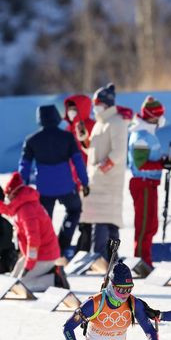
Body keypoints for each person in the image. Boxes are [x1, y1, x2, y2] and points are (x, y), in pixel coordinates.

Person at [20, 105, 89, 260]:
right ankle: (63, 245)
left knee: (44, 220)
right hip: (66, 186)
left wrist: (21, 186)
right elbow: (78, 162)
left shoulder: (32, 140)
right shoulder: (68, 137)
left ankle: (47, 250)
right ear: (57, 117)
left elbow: (24, 166)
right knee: (74, 210)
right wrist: (85, 182)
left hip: (44, 189)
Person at [0, 173, 64, 292]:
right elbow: (10, 211)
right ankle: (48, 273)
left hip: (45, 255)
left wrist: (29, 265)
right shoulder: (22, 202)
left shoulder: (27, 210)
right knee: (13, 280)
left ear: (14, 193)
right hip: (35, 254)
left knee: (23, 285)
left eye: (8, 195)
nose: (7, 198)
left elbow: (33, 240)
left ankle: (55, 279)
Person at [127, 96, 171, 266]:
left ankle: (145, 258)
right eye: (159, 115)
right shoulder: (141, 135)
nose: (161, 119)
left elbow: (150, 158)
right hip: (143, 183)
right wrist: (162, 163)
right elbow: (140, 164)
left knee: (151, 224)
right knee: (144, 225)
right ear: (152, 116)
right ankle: (141, 259)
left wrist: (165, 161)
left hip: (149, 184)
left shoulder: (148, 133)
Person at [80, 83, 129, 260]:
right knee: (106, 220)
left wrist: (101, 169)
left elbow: (119, 151)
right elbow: (94, 152)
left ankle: (100, 255)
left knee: (104, 219)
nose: (95, 107)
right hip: (97, 180)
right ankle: (111, 257)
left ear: (107, 104)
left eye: (98, 103)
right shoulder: (100, 123)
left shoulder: (116, 122)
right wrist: (84, 141)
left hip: (108, 181)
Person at [64, 94, 96, 253]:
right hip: (72, 179)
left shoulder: (92, 125)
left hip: (87, 177)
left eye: (74, 108)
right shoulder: (68, 129)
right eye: (69, 108)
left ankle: (84, 249)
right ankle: (83, 248)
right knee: (79, 214)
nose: (71, 111)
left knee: (87, 216)